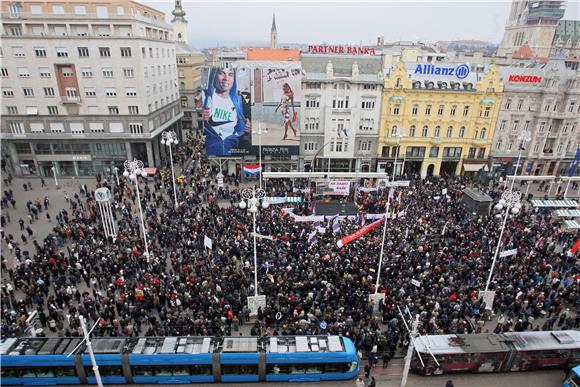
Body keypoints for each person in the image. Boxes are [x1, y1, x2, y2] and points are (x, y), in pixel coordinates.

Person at [202, 67, 251, 156]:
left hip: (234, 151)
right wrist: (202, 118)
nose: (226, 78)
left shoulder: (240, 100)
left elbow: (249, 124)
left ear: (234, 78)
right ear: (214, 75)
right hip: (213, 151)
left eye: (230, 74)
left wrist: (249, 128)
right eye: (221, 73)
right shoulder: (206, 97)